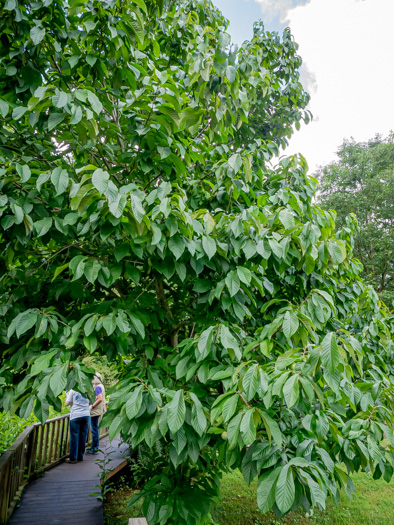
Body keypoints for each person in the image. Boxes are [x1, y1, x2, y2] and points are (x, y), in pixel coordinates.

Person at [64, 389, 90, 464]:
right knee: (83, 436)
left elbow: (67, 403)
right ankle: (80, 456)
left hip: (75, 415)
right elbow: (91, 402)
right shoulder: (88, 389)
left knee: (75, 436)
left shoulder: (73, 390)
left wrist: (68, 396)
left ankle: (73, 458)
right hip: (86, 414)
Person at [86, 373, 106, 455]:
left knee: (94, 430)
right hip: (99, 410)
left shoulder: (97, 387)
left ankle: (94, 448)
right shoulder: (101, 385)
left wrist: (92, 406)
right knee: (95, 429)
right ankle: (94, 447)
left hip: (95, 411)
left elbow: (100, 398)